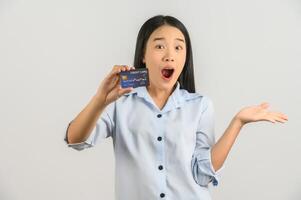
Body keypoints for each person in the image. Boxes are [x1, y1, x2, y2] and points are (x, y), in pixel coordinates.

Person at [64, 15, 288, 200]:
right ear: (143, 54)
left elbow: (203, 174)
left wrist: (237, 122)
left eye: (178, 47)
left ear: (185, 57)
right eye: (159, 46)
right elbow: (75, 140)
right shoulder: (120, 103)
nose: (170, 55)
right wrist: (100, 100)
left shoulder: (200, 105)